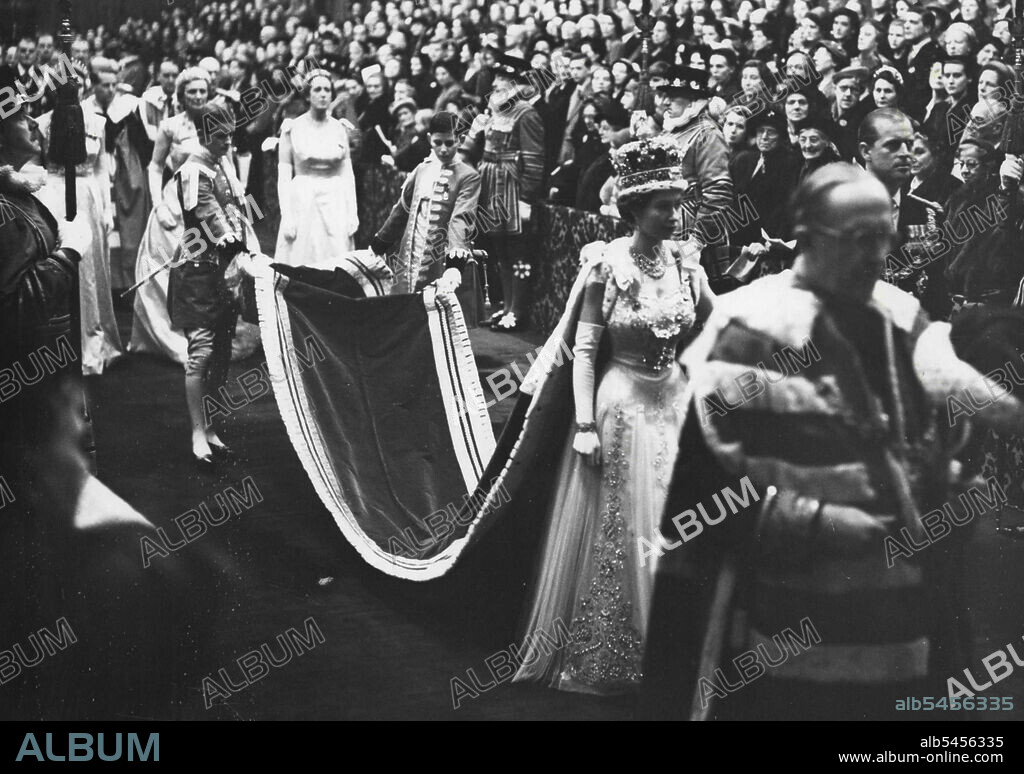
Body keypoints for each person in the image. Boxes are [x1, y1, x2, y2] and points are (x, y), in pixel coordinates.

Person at [641, 162, 1023, 720]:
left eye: (885, 238)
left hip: (900, 627)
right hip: (788, 634)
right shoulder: (748, 331)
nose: (877, 256)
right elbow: (700, 499)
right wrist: (813, 522)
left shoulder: (901, 315)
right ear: (810, 237)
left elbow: (919, 445)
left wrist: (948, 485)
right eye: (860, 240)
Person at [511, 136, 714, 694]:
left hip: (672, 399)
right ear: (633, 211)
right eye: (661, 206)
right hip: (621, 402)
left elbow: (715, 327)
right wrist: (581, 424)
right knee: (627, 523)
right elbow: (582, 351)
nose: (674, 215)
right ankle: (617, 654)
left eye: (677, 203)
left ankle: (669, 650)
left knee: (673, 519)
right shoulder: (607, 265)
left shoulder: (686, 261)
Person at [168, 101, 254, 468]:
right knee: (201, 353)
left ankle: (212, 426)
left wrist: (245, 240)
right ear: (204, 134)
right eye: (222, 136)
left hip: (225, 270)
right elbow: (209, 214)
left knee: (222, 352)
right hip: (199, 270)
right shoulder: (192, 170)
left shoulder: (222, 163)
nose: (229, 143)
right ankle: (196, 432)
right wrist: (234, 243)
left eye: (232, 135)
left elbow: (238, 207)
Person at [34, 65, 124, 376]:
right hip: (52, 196)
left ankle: (92, 341)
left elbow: (100, 169)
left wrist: (107, 209)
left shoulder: (97, 123)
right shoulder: (42, 124)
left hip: (87, 196)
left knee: (89, 270)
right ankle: (56, 346)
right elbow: (38, 167)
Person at [130, 67, 210, 364]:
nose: (198, 97)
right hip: (176, 202)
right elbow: (154, 166)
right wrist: (159, 205)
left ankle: (208, 335)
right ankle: (174, 335)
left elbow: (226, 160)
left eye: (203, 91)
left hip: (209, 200)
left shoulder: (216, 122)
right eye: (192, 92)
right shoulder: (170, 126)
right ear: (181, 95)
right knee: (172, 267)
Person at [461, 52, 544, 331]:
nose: (496, 83)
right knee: (500, 252)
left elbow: (534, 160)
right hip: (491, 185)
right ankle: (506, 307)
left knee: (518, 253)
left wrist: (526, 198)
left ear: (517, 84)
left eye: (504, 79)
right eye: (496, 78)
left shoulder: (526, 113)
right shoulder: (494, 111)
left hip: (511, 188)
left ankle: (517, 311)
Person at [370, 111, 480, 294]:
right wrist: (379, 243)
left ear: (460, 140)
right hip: (409, 257)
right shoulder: (421, 169)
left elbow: (461, 218)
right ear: (429, 139)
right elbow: (401, 210)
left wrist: (454, 262)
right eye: (438, 143)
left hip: (442, 261)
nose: (443, 149)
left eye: (449, 143)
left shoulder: (468, 176)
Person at [656, 65, 735, 292]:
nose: (665, 103)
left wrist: (697, 240)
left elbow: (718, 192)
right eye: (665, 96)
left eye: (672, 97)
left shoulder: (708, 134)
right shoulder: (673, 129)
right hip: (668, 221)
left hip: (691, 229)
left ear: (692, 101)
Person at [275, 68, 359, 268]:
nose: (323, 94)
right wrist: (286, 215)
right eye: (317, 90)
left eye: (327, 90)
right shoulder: (292, 128)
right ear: (307, 94)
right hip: (303, 197)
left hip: (335, 198)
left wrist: (352, 212)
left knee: (336, 255)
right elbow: (284, 175)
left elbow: (347, 173)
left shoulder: (340, 128)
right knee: (302, 255)